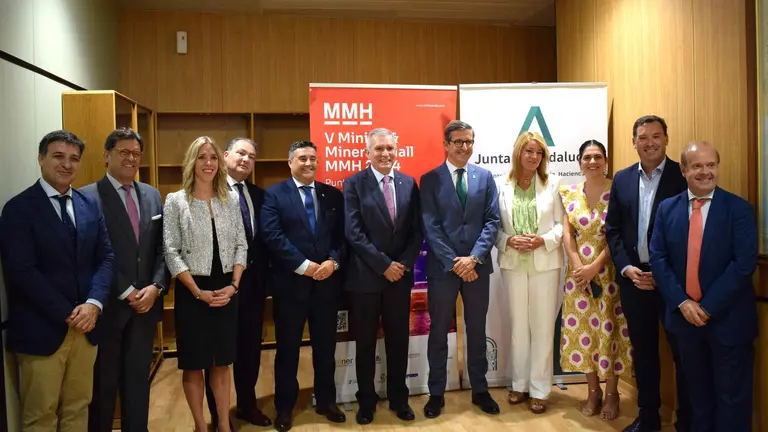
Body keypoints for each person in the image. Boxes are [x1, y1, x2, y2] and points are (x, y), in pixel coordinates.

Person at [0, 130, 114, 432]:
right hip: (42, 329)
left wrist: (93, 304)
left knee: (78, 407)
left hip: (87, 327)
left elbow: (106, 258)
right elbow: (22, 270)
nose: (67, 164)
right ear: (41, 159)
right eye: (58, 156)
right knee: (41, 416)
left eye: (74, 158)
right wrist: (67, 312)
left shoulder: (89, 205)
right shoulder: (18, 209)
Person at [649, 141, 758, 432]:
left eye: (711, 165)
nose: (705, 172)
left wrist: (707, 307)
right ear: (684, 170)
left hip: (729, 323)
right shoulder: (666, 209)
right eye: (697, 166)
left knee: (731, 400)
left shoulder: (740, 209)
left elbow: (744, 264)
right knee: (696, 399)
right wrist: (683, 303)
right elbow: (658, 258)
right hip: (685, 323)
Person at [605, 115, 691, 432]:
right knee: (643, 352)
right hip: (633, 281)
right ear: (634, 142)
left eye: (656, 136)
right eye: (643, 137)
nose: (650, 142)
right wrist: (627, 268)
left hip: (671, 283)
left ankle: (687, 420)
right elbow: (612, 229)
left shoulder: (682, 178)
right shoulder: (623, 179)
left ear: (666, 139)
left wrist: (663, 273)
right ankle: (649, 416)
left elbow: (690, 233)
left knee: (682, 352)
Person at [81, 128, 168, 432]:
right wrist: (128, 290)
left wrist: (156, 287)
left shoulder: (153, 194)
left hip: (146, 308)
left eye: (136, 153)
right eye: (123, 152)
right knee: (103, 388)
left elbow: (162, 249)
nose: (131, 158)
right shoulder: (87, 197)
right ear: (107, 155)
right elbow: (91, 254)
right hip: (109, 309)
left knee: (137, 385)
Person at [260, 141, 346, 432]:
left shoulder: (332, 195)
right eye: (302, 158)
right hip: (290, 286)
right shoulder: (274, 194)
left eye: (313, 158)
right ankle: (284, 408)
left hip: (326, 286)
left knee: (325, 347)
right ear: (290, 162)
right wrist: (304, 265)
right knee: (288, 350)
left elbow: (342, 237)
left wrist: (333, 262)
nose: (309, 163)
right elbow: (272, 235)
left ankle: (326, 401)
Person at [163, 136, 248, 432]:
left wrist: (234, 285)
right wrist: (197, 292)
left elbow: (241, 244)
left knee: (222, 363)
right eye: (201, 157)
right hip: (192, 292)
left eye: (213, 157)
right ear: (192, 162)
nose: (208, 163)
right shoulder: (175, 201)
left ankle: (223, 424)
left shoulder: (231, 199)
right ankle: (201, 425)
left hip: (226, 289)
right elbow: (170, 251)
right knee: (194, 363)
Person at [420, 120, 500, 418]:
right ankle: (436, 392)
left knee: (477, 330)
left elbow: (493, 221)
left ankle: (480, 389)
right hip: (444, 269)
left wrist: (474, 258)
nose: (465, 147)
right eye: (458, 142)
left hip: (477, 269)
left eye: (469, 141)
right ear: (446, 144)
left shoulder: (485, 177)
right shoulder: (429, 180)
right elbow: (430, 225)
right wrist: (455, 261)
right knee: (438, 331)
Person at [343, 128, 423, 425]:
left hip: (398, 279)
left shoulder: (407, 183)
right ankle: (366, 401)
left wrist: (401, 264)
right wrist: (383, 265)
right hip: (365, 278)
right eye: (379, 149)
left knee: (398, 341)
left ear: (396, 150)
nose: (385, 154)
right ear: (368, 152)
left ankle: (399, 398)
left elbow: (416, 232)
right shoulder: (353, 184)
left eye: (390, 148)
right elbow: (354, 232)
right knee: (364, 343)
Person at [559, 140, 633, 421]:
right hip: (577, 277)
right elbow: (568, 234)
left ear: (606, 160)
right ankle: (593, 391)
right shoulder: (568, 192)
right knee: (584, 334)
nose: (592, 162)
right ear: (579, 161)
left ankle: (612, 393)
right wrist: (578, 265)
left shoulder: (619, 191)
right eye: (587, 157)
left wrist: (595, 266)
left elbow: (619, 234)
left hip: (609, 274)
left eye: (597, 157)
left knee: (609, 332)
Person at [203, 137, 272, 428]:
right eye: (241, 153)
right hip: (218, 286)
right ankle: (219, 415)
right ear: (226, 155)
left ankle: (246, 405)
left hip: (252, 287)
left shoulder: (259, 195)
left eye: (252, 156)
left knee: (249, 351)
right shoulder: (207, 192)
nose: (246, 159)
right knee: (217, 354)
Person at [496, 131, 563, 414]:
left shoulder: (554, 184)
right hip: (512, 263)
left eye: (539, 153)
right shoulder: (501, 184)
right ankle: (519, 384)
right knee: (519, 328)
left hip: (545, 264)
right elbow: (492, 227)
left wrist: (542, 240)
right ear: (518, 153)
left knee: (543, 327)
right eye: (529, 151)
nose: (534, 157)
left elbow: (562, 227)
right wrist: (508, 240)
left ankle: (540, 389)